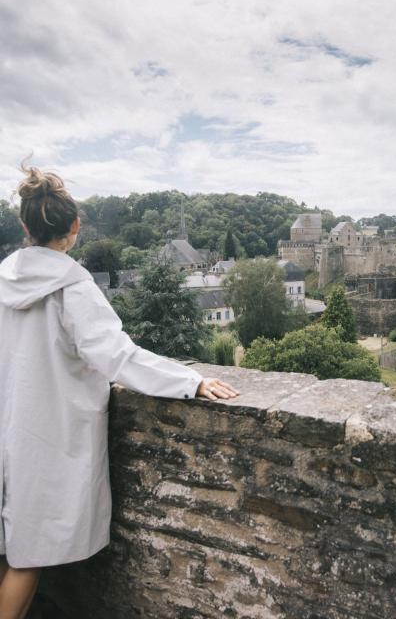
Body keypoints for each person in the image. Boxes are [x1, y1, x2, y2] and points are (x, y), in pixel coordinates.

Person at [0, 166, 240, 619]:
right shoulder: (73, 286)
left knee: (11, 548)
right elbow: (118, 357)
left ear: (26, 227)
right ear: (73, 229)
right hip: (46, 435)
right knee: (27, 558)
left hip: (8, 426)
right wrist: (190, 380)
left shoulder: (3, 280)